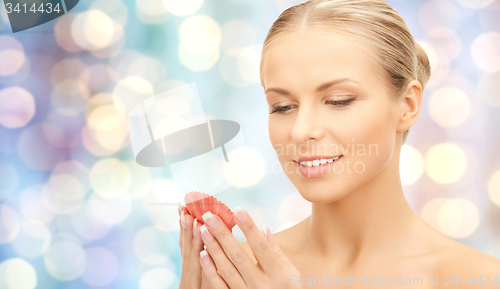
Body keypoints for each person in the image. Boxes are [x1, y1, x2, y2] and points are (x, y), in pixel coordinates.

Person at [178, 0, 500, 287]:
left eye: (338, 101)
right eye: (283, 107)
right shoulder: (237, 273)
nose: (301, 131)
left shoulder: (479, 279)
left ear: (408, 104)